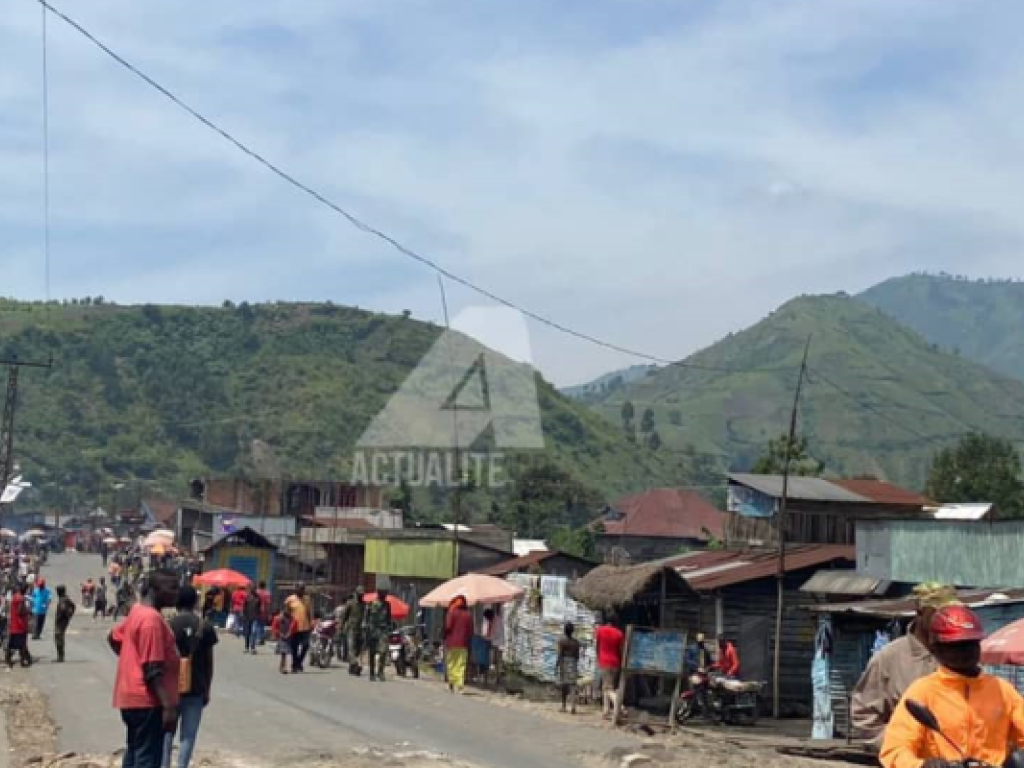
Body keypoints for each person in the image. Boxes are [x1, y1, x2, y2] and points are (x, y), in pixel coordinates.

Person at [880, 604, 1024, 768]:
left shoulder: (1002, 690)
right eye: (956, 646)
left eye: (971, 643)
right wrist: (922, 765)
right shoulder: (922, 692)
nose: (966, 651)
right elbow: (894, 750)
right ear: (937, 649)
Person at [852, 583, 959, 749]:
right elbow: (864, 715)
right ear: (920, 612)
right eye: (938, 613)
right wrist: (898, 747)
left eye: (949, 613)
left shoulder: (960, 654)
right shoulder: (889, 658)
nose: (945, 619)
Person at [109, 569, 181, 768]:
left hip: (131, 698)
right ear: (155, 590)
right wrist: (168, 706)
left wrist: (131, 661)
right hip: (148, 701)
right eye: (171, 588)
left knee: (135, 752)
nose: (176, 592)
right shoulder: (151, 620)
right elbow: (153, 669)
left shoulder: (138, 612)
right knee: (147, 759)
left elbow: (114, 637)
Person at [162, 586, 217, 768]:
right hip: (196, 688)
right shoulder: (205, 626)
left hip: (170, 689)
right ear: (195, 602)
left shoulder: (168, 626)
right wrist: (207, 689)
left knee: (167, 733)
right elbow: (209, 662)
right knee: (188, 735)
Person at [595, 613, 625, 720]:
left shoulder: (600, 630)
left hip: (604, 662)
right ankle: (606, 711)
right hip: (615, 663)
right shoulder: (619, 633)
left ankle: (620, 706)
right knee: (606, 686)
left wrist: (598, 657)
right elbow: (621, 651)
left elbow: (597, 646)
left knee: (608, 688)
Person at [444, 594, 474, 694]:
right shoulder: (468, 615)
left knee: (451, 663)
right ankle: (460, 685)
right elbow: (470, 631)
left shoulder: (452, 613)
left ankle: (451, 682)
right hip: (463, 644)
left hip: (451, 643)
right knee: (461, 664)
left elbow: (448, 627)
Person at [363, 590, 393, 682]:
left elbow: (388, 618)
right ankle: (372, 673)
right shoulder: (371, 604)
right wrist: (365, 628)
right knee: (372, 653)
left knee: (383, 652)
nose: (384, 596)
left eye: (385, 594)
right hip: (372, 631)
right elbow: (366, 618)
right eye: (383, 594)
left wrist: (390, 628)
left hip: (383, 631)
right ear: (379, 594)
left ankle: (380, 672)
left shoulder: (387, 605)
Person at [285, 584, 313, 673]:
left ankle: (299, 662)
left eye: (303, 589)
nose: (301, 591)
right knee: (294, 647)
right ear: (296, 589)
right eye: (300, 589)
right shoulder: (290, 599)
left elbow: (310, 611)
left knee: (305, 645)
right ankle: (295, 665)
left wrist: (311, 622)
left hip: (305, 626)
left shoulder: (307, 599)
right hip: (294, 627)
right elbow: (286, 612)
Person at [555, 622, 581, 714]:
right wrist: (574, 663)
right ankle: (573, 707)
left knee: (564, 685)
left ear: (564, 631)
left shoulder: (561, 641)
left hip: (564, 662)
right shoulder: (576, 643)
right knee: (573, 685)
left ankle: (563, 706)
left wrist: (557, 665)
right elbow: (577, 656)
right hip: (573, 662)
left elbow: (559, 654)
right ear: (572, 631)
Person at [6, 584, 32, 668]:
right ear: (25, 590)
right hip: (20, 625)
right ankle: (23, 661)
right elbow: (20, 611)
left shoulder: (14, 597)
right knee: (22, 644)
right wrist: (28, 611)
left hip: (14, 625)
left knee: (12, 644)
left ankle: (9, 659)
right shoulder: (21, 599)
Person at [341, 587, 365, 669]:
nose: (361, 596)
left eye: (362, 594)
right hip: (351, 628)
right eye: (359, 594)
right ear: (356, 593)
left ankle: (352, 665)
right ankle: (354, 663)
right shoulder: (350, 603)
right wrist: (341, 628)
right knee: (351, 647)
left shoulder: (364, 604)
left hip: (360, 629)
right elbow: (344, 617)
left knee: (358, 649)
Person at [54, 585, 76, 663]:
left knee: (58, 637)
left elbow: (63, 609)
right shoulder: (65, 598)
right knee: (59, 637)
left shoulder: (63, 600)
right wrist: (69, 615)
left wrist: (66, 615)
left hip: (61, 621)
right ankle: (60, 656)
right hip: (63, 621)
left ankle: (60, 656)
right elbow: (73, 606)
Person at [270, 607, 293, 675]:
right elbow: (274, 627)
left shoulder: (292, 618)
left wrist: (289, 633)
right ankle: (284, 667)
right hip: (281, 637)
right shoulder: (278, 618)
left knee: (284, 653)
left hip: (289, 637)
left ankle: (281, 666)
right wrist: (278, 634)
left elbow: (293, 627)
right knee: (284, 652)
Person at [242, 585, 262, 655]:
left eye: (254, 589)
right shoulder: (247, 597)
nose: (253, 590)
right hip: (247, 618)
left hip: (255, 618)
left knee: (254, 632)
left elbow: (259, 608)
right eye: (252, 589)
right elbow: (244, 607)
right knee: (247, 633)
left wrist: (259, 616)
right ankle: (246, 647)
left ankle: (253, 648)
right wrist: (244, 616)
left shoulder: (258, 598)